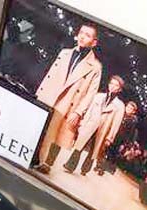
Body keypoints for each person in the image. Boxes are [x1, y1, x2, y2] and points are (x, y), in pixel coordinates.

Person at [34, 23, 102, 174]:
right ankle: (35, 156)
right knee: (42, 129)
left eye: (88, 35)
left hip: (70, 103)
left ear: (94, 42)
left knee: (58, 134)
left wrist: (78, 112)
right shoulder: (65, 53)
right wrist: (40, 94)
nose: (82, 37)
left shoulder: (95, 67)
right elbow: (50, 75)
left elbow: (91, 93)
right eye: (81, 32)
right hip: (50, 96)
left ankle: (47, 163)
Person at [63, 75, 125, 176]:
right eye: (111, 83)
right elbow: (89, 111)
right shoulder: (98, 96)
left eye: (116, 85)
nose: (112, 86)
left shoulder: (120, 106)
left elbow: (116, 124)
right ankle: (70, 165)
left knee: (94, 150)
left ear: (119, 89)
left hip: (103, 129)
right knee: (80, 145)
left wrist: (110, 137)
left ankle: (85, 169)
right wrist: (83, 123)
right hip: (90, 124)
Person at [104, 101, 139, 173]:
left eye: (130, 108)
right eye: (127, 107)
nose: (128, 109)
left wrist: (125, 144)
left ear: (133, 111)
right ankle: (102, 166)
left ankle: (110, 167)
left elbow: (130, 134)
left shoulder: (132, 121)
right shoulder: (121, 114)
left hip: (121, 139)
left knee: (115, 153)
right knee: (108, 150)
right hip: (114, 135)